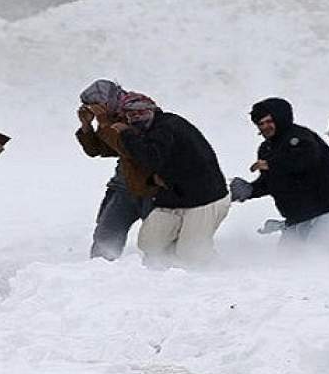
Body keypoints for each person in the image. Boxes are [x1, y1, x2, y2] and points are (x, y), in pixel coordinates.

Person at [115, 93, 230, 268]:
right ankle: (170, 267)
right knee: (149, 243)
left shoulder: (167, 127)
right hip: (174, 197)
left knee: (191, 254)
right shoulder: (149, 130)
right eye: (131, 114)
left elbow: (150, 157)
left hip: (206, 199)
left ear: (153, 109)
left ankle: (216, 270)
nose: (136, 116)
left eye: (141, 111)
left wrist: (126, 134)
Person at [230, 98, 329, 250]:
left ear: (281, 118)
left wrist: (272, 165)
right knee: (287, 261)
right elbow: (272, 182)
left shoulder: (302, 139)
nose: (265, 126)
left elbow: (305, 161)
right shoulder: (266, 149)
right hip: (300, 218)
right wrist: (250, 190)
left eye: (269, 121)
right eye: (260, 123)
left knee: (318, 259)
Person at [75, 80, 155, 260]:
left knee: (157, 240)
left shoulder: (139, 110)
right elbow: (98, 150)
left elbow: (132, 148)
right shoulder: (112, 116)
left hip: (151, 186)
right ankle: (101, 272)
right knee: (106, 234)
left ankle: (161, 275)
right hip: (124, 185)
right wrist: (87, 126)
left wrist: (104, 122)